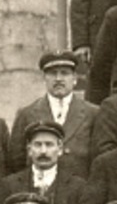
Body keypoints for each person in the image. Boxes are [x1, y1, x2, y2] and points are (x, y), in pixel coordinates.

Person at [0, 121, 87, 204]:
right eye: (37, 145)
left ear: (60, 149)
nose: (43, 151)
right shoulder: (9, 185)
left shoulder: (78, 187)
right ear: (29, 150)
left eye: (49, 145)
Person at [8, 51, 97, 179]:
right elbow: (16, 161)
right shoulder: (26, 114)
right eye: (52, 73)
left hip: (81, 191)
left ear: (75, 78)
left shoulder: (92, 113)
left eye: (64, 73)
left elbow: (99, 160)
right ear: (44, 78)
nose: (58, 79)